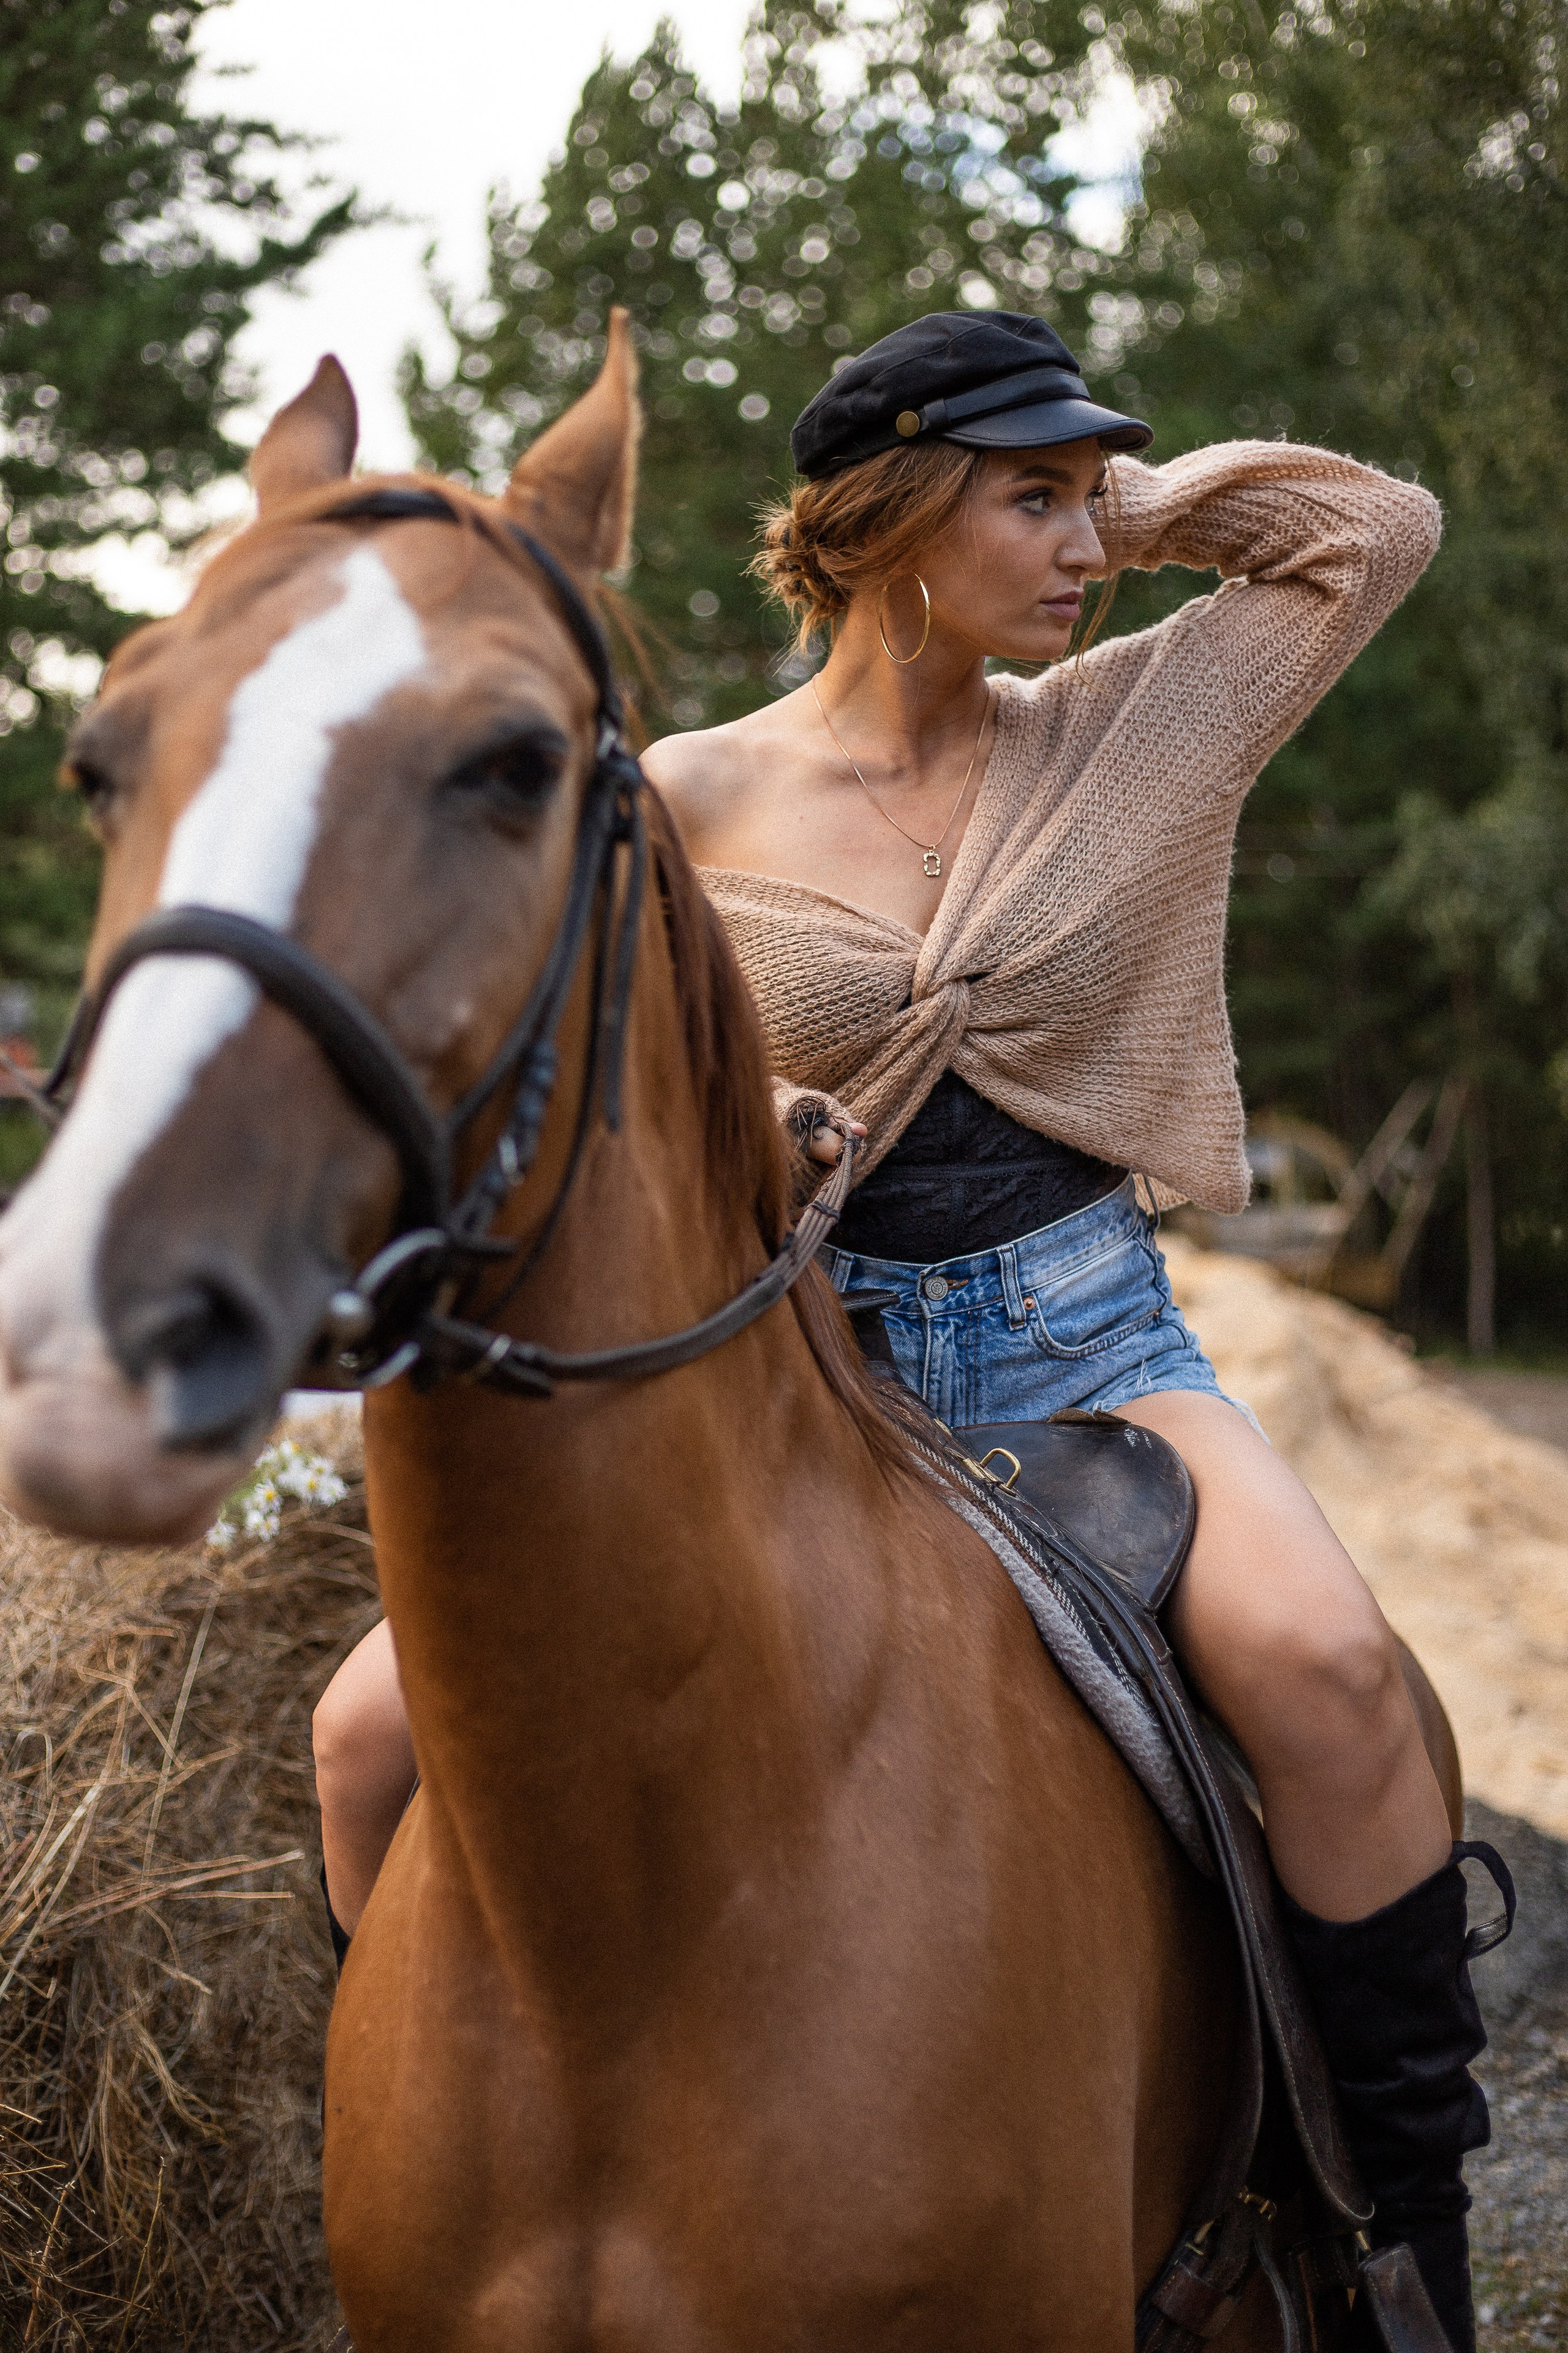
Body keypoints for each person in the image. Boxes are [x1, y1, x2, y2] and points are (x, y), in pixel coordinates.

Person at [313, 311, 1501, 2350]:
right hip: (795, 1374)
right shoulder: (679, 793)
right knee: (358, 1735)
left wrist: (1120, 502)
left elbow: (1369, 534)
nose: (1077, 545)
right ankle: (435, 2163)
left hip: (1092, 1353)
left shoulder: (1140, 716)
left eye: (1081, 502)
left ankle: (1401, 2230)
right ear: (883, 523)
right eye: (1028, 501)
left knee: (1330, 1671)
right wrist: (740, 1121)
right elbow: (592, 1078)